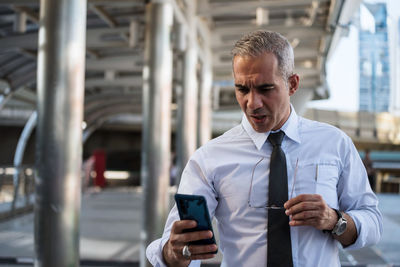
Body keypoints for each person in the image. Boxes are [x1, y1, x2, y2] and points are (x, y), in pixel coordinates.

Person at [146, 30, 382, 267]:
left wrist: (335, 220)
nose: (252, 103)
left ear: (292, 84)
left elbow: (372, 222)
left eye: (265, 89)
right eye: (242, 89)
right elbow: (176, 246)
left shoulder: (335, 144)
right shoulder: (209, 158)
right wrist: (174, 252)